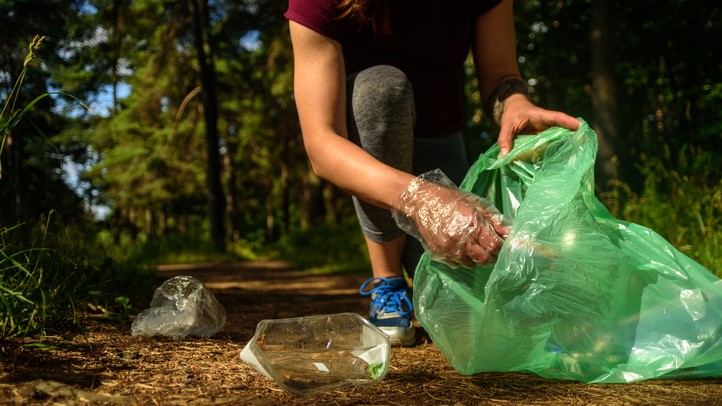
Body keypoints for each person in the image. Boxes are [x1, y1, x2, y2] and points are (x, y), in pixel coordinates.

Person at [284, 0, 579, 346]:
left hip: (439, 137)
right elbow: (322, 143)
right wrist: (422, 199)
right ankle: (388, 279)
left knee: (473, 289)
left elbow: (500, 77)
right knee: (382, 88)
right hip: (367, 148)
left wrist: (516, 104)